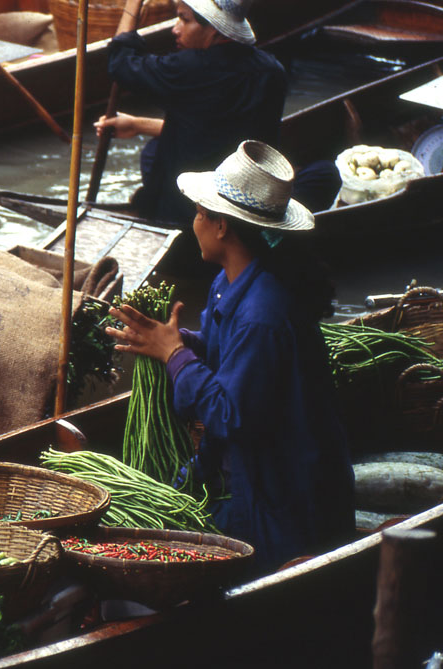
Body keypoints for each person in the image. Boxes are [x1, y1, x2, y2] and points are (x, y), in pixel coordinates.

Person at [105, 141, 355, 572]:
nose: (194, 223)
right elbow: (228, 352)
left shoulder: (264, 312)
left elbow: (228, 415)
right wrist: (174, 340)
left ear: (221, 227)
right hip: (259, 474)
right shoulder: (231, 281)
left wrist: (175, 355)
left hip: (285, 493)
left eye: (199, 213)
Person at [95, 0, 290, 224]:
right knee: (152, 150)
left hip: (189, 209)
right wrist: (137, 125)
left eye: (184, 19)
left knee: (153, 156)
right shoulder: (272, 71)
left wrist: (132, 5)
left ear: (214, 30)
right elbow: (210, 131)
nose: (175, 29)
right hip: (249, 202)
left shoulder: (190, 68)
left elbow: (121, 61)